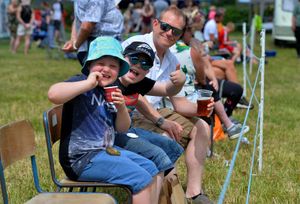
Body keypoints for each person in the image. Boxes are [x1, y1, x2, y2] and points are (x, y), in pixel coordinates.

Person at [48, 36, 158, 204]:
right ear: (90, 65)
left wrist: (121, 107)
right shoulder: (81, 82)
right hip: (80, 159)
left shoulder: (110, 91)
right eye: (100, 63)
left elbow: (122, 128)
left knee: (151, 168)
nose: (106, 69)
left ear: (119, 71)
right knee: (140, 178)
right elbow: (53, 94)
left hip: (104, 152)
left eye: (113, 66)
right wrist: (87, 84)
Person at [122, 6, 214, 204]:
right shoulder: (136, 46)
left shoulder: (172, 59)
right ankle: (157, 193)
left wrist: (201, 108)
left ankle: (194, 193)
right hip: (130, 116)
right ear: (155, 23)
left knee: (202, 127)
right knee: (165, 136)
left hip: (155, 112)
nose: (170, 33)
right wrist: (161, 121)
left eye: (177, 31)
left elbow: (178, 102)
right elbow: (132, 91)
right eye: (165, 26)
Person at [113, 41, 185, 203]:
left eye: (145, 64)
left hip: (127, 130)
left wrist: (179, 82)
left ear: (147, 71)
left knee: (171, 146)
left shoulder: (138, 82)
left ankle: (160, 193)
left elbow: (167, 90)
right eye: (134, 59)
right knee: (158, 156)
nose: (138, 65)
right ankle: (156, 195)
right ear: (123, 58)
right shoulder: (112, 78)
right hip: (111, 136)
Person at [170, 26, 249, 139]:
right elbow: (202, 71)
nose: (191, 33)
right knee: (210, 88)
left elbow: (205, 63)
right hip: (185, 90)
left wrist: (213, 79)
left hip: (196, 83)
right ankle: (227, 124)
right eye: (189, 31)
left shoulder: (193, 44)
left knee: (226, 85)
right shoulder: (181, 49)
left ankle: (227, 121)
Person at [62, 0, 124, 65]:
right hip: (99, 45)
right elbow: (80, 20)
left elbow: (86, 26)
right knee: (99, 73)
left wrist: (75, 45)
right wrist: (73, 41)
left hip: (103, 45)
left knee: (100, 73)